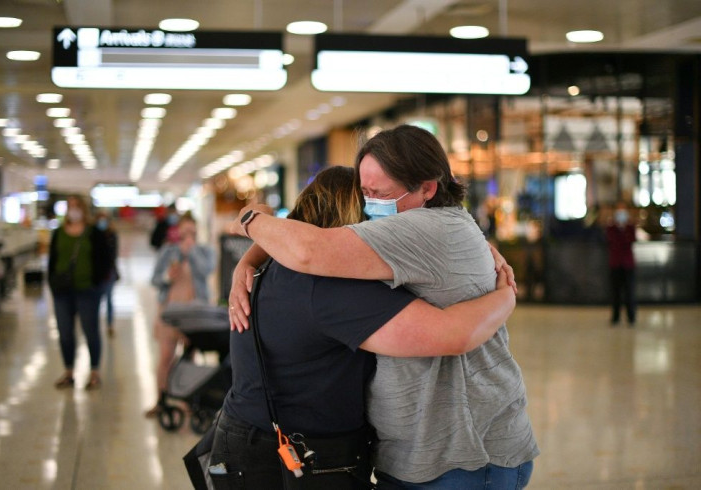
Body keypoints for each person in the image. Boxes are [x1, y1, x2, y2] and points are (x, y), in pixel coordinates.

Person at [229, 125, 538, 489]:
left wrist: (250, 222)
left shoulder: (422, 228)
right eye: (364, 192)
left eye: (381, 193)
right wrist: (249, 257)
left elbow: (308, 249)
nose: (371, 204)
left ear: (428, 187)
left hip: (459, 457)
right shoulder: (435, 223)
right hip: (424, 454)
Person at [146, 212, 215, 416]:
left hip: (194, 314)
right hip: (169, 311)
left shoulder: (204, 251)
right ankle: (161, 399)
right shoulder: (168, 251)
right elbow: (154, 279)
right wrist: (167, 277)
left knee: (189, 357)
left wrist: (191, 250)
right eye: (184, 231)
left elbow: (205, 271)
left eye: (192, 232)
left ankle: (188, 400)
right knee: (166, 356)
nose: (188, 235)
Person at [48, 195, 111, 390]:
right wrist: (51, 282)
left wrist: (97, 282)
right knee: (65, 332)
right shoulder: (58, 233)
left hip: (88, 290)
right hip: (62, 291)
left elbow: (105, 259)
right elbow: (52, 260)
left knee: (90, 330)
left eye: (77, 206)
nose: (73, 210)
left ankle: (94, 371)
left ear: (84, 209)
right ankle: (69, 371)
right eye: (70, 206)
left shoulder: (94, 233)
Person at [606, 201, 637, 326]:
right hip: (615, 263)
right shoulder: (611, 227)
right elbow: (611, 241)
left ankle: (631, 317)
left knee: (629, 291)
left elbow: (631, 240)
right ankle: (615, 317)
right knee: (616, 292)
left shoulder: (630, 227)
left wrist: (625, 227)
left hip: (628, 264)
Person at [95, 211, 119, 337]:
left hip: (109, 273)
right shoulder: (93, 235)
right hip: (97, 274)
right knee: (97, 301)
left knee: (109, 299)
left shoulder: (112, 236)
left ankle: (110, 324)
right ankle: (96, 325)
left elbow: (114, 255)